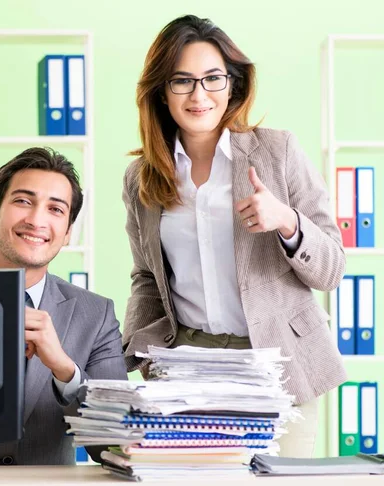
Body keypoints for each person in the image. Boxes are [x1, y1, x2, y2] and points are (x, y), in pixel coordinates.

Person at [121, 14, 346, 458]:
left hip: (277, 364)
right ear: (161, 92)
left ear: (233, 84)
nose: (199, 94)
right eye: (182, 81)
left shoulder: (277, 152)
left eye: (212, 79)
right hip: (189, 369)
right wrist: (140, 357)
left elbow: (332, 269)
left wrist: (288, 222)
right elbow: (147, 277)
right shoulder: (142, 178)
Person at [0, 147, 127, 465]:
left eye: (56, 210)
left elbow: (116, 445)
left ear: (67, 234)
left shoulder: (97, 316)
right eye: (23, 201)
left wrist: (65, 369)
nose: (36, 220)